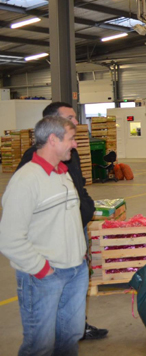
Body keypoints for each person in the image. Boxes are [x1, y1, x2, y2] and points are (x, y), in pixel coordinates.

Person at [16, 101, 108, 340]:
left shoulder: (70, 155)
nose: (76, 122)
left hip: (74, 234)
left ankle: (77, 326)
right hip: (51, 248)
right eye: (70, 118)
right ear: (53, 125)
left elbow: (79, 187)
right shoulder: (31, 163)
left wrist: (85, 208)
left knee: (72, 297)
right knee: (43, 332)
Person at [0, 116, 88, 356]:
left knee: (69, 339)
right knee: (40, 346)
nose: (75, 145)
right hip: (45, 276)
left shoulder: (63, 173)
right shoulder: (26, 180)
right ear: (53, 139)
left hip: (75, 270)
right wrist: (42, 270)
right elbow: (8, 238)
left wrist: (81, 257)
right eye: (71, 139)